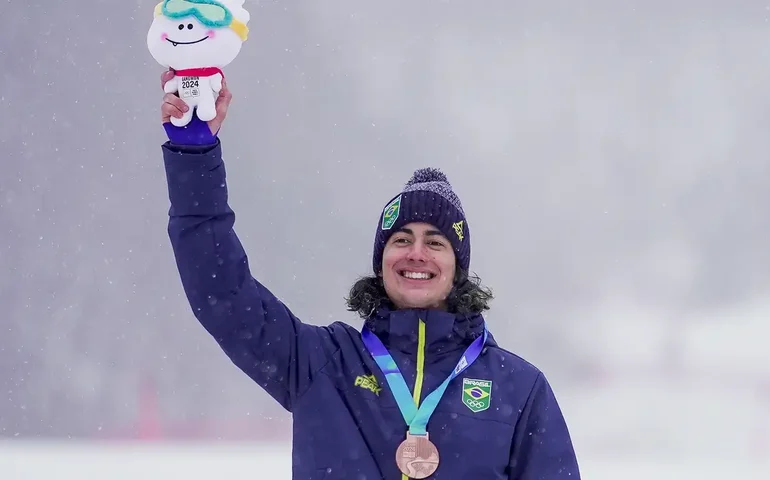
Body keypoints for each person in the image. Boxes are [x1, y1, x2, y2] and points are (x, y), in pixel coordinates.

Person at [158, 69, 581, 479]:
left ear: (458, 268)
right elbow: (222, 291)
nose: (416, 254)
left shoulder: (520, 389)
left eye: (435, 242)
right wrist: (195, 155)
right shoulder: (320, 364)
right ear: (380, 262)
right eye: (401, 240)